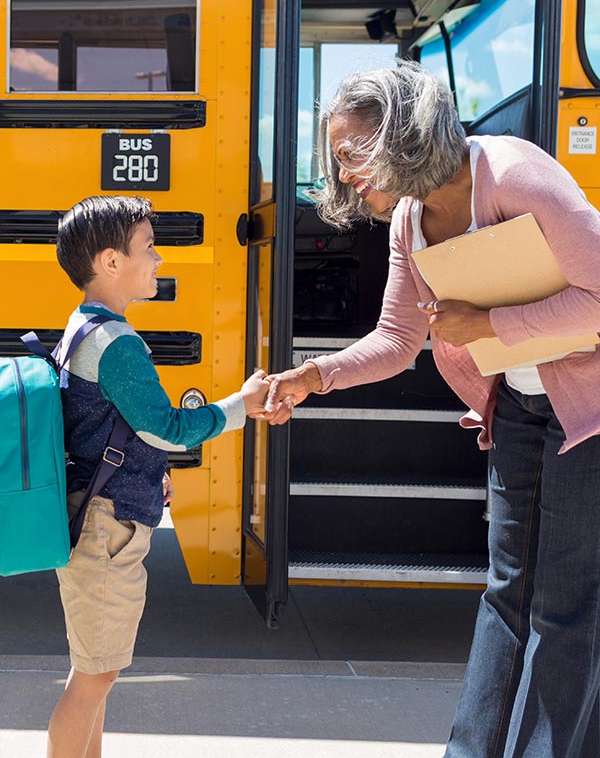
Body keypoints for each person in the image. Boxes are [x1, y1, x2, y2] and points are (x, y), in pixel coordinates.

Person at [262, 61, 600, 757]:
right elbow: (396, 339)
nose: (347, 173)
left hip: (588, 416)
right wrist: (314, 376)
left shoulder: (513, 175)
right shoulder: (410, 221)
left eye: (354, 152)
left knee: (563, 609)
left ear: (404, 132)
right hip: (519, 411)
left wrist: (489, 324)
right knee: (506, 597)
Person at [48, 195, 269, 758]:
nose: (160, 259)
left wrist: (151, 472)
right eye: (149, 247)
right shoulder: (116, 343)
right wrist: (240, 406)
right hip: (107, 528)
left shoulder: (83, 327)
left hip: (97, 514)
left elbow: (111, 426)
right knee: (94, 677)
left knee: (98, 672)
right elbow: (167, 428)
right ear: (111, 261)